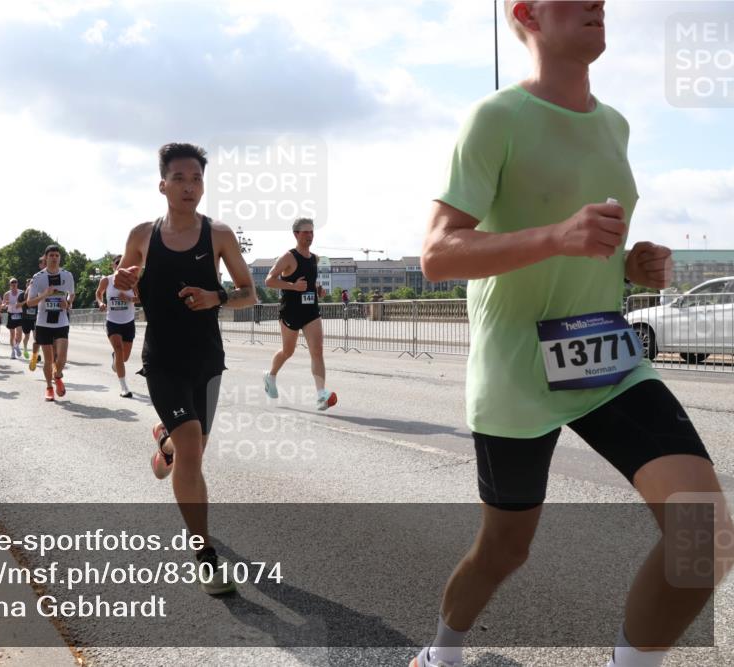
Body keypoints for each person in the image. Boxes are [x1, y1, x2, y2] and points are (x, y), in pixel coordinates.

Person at [412, 4, 731, 667]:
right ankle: (442, 653)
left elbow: (592, 248)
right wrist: (558, 236)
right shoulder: (496, 117)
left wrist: (632, 263)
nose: (597, 3)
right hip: (518, 370)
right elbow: (438, 253)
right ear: (526, 12)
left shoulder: (615, 123)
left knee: (704, 535)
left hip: (605, 357)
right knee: (506, 548)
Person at [114, 142, 256, 594]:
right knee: (194, 449)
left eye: (196, 178)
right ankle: (205, 555)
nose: (189, 186)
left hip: (207, 361)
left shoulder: (219, 235)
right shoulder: (142, 235)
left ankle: (166, 444)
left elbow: (251, 293)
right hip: (163, 361)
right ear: (162, 185)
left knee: (194, 446)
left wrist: (218, 297)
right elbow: (121, 290)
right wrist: (118, 282)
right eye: (180, 178)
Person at [262, 218, 337, 411]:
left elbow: (310, 282)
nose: (310, 236)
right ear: (296, 234)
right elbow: (269, 281)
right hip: (291, 310)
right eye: (306, 233)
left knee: (317, 350)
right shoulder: (288, 257)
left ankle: (321, 395)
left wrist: (318, 289)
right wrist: (292, 286)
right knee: (288, 351)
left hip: (311, 310)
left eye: (312, 232)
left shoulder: (314, 258)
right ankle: (270, 375)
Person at [26, 246, 75, 401]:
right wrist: (45, 295)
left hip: (61, 321)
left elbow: (72, 294)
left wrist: (67, 302)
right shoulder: (38, 277)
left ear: (59, 258)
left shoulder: (67, 275)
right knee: (48, 360)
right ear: (46, 258)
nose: (54, 258)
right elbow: (29, 302)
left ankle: (58, 375)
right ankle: (49, 387)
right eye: (51, 255)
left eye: (57, 255)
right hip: (43, 323)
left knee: (62, 358)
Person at [96, 255, 139, 398]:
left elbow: (141, 298)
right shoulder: (106, 280)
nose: (121, 266)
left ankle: (116, 359)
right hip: (113, 322)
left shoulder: (133, 281)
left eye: (124, 264)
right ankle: (124, 387)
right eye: (117, 263)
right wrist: (101, 303)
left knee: (124, 358)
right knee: (119, 350)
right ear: (113, 266)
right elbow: (98, 293)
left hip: (128, 322)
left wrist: (129, 299)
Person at [3, 278, 24, 359]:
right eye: (12, 282)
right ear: (10, 284)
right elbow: (3, 305)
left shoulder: (21, 293)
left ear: (17, 283)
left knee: (19, 333)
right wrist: (5, 305)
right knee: (12, 334)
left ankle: (17, 346)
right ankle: (12, 351)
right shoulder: (7, 294)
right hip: (11, 314)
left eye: (15, 282)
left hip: (19, 314)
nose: (14, 283)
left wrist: (20, 304)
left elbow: (25, 302)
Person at [20, 278, 36, 362]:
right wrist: (26, 301)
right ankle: (25, 348)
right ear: (26, 286)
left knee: (36, 336)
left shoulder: (36, 294)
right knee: (27, 336)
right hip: (25, 319)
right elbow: (17, 305)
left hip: (35, 319)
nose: (30, 286)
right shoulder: (22, 294)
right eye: (29, 284)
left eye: (32, 284)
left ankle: (35, 354)